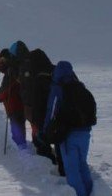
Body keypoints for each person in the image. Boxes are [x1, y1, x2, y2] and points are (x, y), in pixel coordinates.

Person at [42, 61, 94, 196]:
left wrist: (47, 129)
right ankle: (90, 192)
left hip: (69, 134)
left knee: (72, 170)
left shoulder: (58, 88)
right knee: (82, 164)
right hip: (85, 133)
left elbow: (51, 110)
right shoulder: (80, 86)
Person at [19, 47, 59, 169]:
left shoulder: (32, 73)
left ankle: (46, 162)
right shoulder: (53, 70)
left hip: (36, 111)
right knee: (56, 134)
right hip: (55, 110)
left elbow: (27, 92)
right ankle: (58, 159)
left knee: (39, 135)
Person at [0, 48, 27, 149]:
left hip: (14, 105)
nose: (1, 63)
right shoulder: (16, 68)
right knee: (20, 125)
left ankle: (22, 149)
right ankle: (23, 146)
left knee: (17, 128)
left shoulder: (11, 72)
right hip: (22, 103)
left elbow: (3, 92)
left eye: (2, 61)